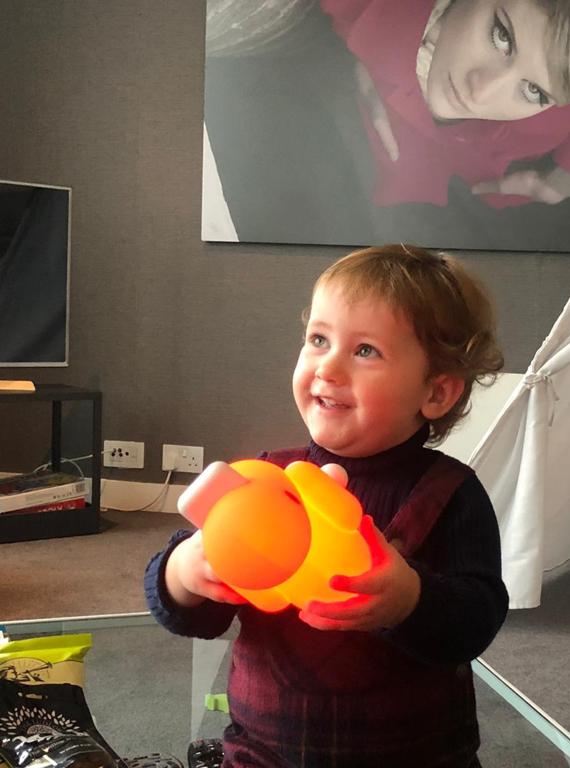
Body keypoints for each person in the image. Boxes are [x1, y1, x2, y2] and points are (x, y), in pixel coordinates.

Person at [144, 244, 509, 768]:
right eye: (318, 339)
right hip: (264, 750)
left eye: (365, 351)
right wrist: (185, 572)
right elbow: (201, 618)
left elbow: (477, 618)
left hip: (414, 753)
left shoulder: (451, 491)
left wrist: (410, 598)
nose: (328, 367)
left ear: (436, 393)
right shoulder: (265, 479)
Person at [320, 0, 570, 208]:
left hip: (507, 189)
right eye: (501, 36)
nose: (481, 93)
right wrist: (361, 59)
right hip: (387, 158)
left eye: (534, 92)